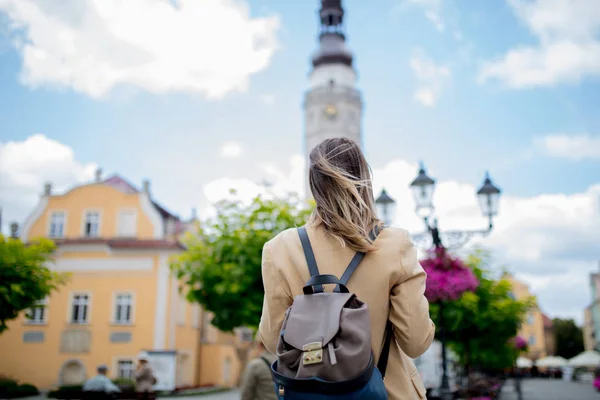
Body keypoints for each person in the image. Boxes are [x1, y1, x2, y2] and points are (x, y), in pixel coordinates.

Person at [258, 137, 436, 400]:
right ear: (364, 179)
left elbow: (274, 341)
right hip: (388, 391)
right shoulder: (395, 245)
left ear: (314, 185)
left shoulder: (279, 248)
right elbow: (416, 341)